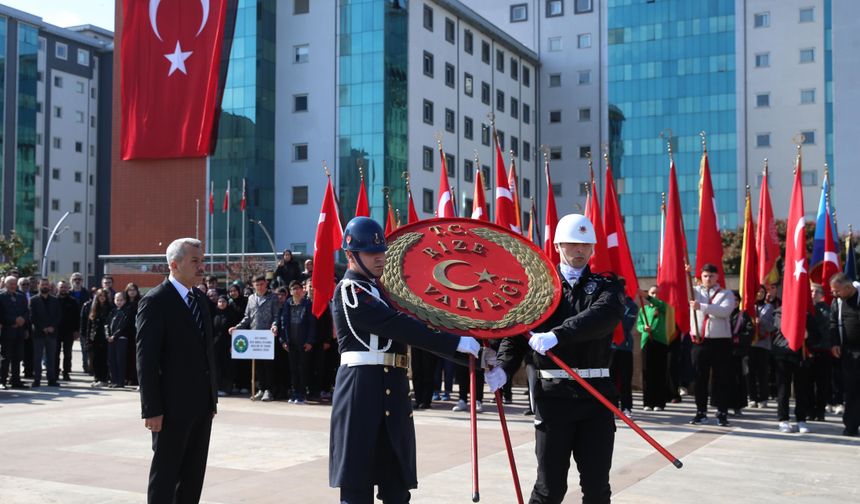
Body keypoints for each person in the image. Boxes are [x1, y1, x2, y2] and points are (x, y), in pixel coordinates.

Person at [329, 216, 483, 504]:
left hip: (393, 389)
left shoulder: (380, 293)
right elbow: (400, 326)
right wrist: (455, 342)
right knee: (357, 485)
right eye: (371, 253)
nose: (379, 258)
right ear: (351, 256)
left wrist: (472, 357)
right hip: (360, 390)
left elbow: (415, 334)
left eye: (381, 251)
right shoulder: (351, 292)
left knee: (396, 485)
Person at [492, 213, 625, 504]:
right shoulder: (538, 291)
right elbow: (516, 335)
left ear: (592, 248)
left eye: (585, 245)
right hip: (553, 399)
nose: (579, 250)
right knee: (549, 488)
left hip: (596, 398)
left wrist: (557, 335)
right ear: (557, 246)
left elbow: (601, 318)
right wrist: (503, 369)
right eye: (572, 244)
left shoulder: (607, 288)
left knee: (596, 487)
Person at [136, 238, 218, 503]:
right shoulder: (156, 301)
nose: (201, 266)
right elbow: (146, 360)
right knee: (166, 475)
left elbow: (206, 354)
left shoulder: (200, 300)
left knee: (193, 476)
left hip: (201, 406)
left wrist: (211, 398)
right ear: (174, 264)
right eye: (195, 261)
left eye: (202, 260)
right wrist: (152, 408)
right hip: (171, 409)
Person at [688, 263, 737, 427]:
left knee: (721, 378)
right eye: (705, 276)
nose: (708, 279)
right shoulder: (694, 291)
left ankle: (722, 412)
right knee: (699, 378)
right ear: (700, 277)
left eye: (711, 276)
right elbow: (680, 288)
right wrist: (686, 273)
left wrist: (702, 307)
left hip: (720, 342)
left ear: (717, 277)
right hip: (699, 341)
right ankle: (700, 412)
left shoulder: (726, 293)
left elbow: (724, 311)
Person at [230, 275, 279, 402]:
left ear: (266, 284)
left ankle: (269, 390)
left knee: (268, 365)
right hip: (254, 337)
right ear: (253, 286)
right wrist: (237, 327)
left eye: (262, 284)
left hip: (267, 337)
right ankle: (261, 389)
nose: (260, 287)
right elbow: (247, 317)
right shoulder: (251, 298)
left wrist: (274, 326)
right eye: (257, 285)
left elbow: (276, 315)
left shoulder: (273, 297)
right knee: (258, 365)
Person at [771, 302, 810, 433]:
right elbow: (781, 327)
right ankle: (783, 420)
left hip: (801, 355)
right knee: (783, 389)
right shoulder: (779, 312)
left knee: (802, 389)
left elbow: (817, 335)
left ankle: (801, 420)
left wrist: (807, 333)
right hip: (783, 354)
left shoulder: (807, 313)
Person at [829, 273, 860, 436]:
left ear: (848, 287)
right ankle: (851, 425)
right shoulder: (838, 302)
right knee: (851, 389)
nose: (835, 294)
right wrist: (834, 343)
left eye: (837, 291)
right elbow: (833, 322)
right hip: (849, 351)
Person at [274, 280, 315, 404]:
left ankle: (302, 394)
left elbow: (312, 325)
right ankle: (295, 393)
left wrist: (309, 341)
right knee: (293, 369)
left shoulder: (308, 303)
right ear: (290, 292)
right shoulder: (287, 304)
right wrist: (283, 340)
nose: (296, 290)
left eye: (298, 288)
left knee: (303, 369)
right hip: (290, 342)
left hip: (303, 343)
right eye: (293, 289)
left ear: (302, 290)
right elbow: (283, 323)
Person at [638, 285, 670, 411]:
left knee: (660, 373)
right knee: (647, 372)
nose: (655, 296)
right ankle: (648, 402)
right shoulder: (643, 310)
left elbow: (659, 304)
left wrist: (646, 296)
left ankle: (659, 402)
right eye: (652, 293)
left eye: (657, 293)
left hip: (660, 342)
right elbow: (639, 325)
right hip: (646, 342)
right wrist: (643, 328)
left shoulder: (662, 307)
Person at [806, 284, 832, 421]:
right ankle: (810, 411)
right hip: (808, 351)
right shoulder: (805, 308)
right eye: (811, 291)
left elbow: (825, 328)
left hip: (822, 350)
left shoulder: (826, 309)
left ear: (822, 295)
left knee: (822, 384)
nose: (814, 293)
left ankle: (820, 411)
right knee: (808, 383)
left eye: (817, 291)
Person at [29, 278, 62, 387]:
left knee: (51, 357)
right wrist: (43, 327)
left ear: (49, 286)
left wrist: (52, 327)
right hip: (39, 332)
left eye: (46, 285)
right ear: (38, 286)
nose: (45, 286)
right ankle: (37, 379)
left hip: (52, 332)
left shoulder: (55, 300)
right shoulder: (33, 300)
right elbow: (32, 317)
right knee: (37, 357)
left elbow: (58, 316)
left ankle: (51, 379)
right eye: (42, 284)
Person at [748, 285, 776, 408]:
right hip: (750, 344)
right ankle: (752, 397)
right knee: (749, 372)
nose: (759, 294)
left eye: (762, 292)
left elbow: (772, 327)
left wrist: (762, 321)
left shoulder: (769, 307)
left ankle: (763, 398)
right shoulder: (749, 307)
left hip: (763, 344)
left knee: (762, 372)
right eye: (757, 291)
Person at [0, 275, 31, 389]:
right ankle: (2, 381)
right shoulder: (1, 296)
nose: (13, 286)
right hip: (8, 331)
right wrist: (13, 320)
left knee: (17, 357)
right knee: (5, 357)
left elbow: (27, 311)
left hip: (19, 331)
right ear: (5, 284)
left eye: (14, 284)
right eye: (10, 284)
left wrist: (23, 320)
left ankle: (16, 381)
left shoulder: (21, 296)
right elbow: (1, 314)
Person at [610, 292, 638, 416]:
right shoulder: (609, 303)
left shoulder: (632, 306)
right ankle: (612, 406)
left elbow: (626, 325)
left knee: (625, 379)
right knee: (611, 378)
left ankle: (626, 407)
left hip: (625, 347)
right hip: (610, 347)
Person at [107, 291, 134, 388]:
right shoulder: (113, 311)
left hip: (121, 339)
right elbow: (107, 324)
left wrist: (115, 335)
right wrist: (108, 335)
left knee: (120, 360)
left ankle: (120, 381)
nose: (119, 302)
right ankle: (113, 380)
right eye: (117, 300)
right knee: (111, 360)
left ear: (125, 301)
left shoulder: (126, 311)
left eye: (121, 300)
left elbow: (124, 326)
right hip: (111, 340)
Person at [56, 280, 81, 381]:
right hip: (56, 331)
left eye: (65, 287)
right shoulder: (53, 300)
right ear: (58, 288)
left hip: (69, 331)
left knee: (68, 353)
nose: (63, 289)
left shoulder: (73, 301)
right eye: (61, 287)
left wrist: (76, 330)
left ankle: (66, 372)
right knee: (55, 353)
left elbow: (77, 317)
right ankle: (55, 372)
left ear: (68, 288)